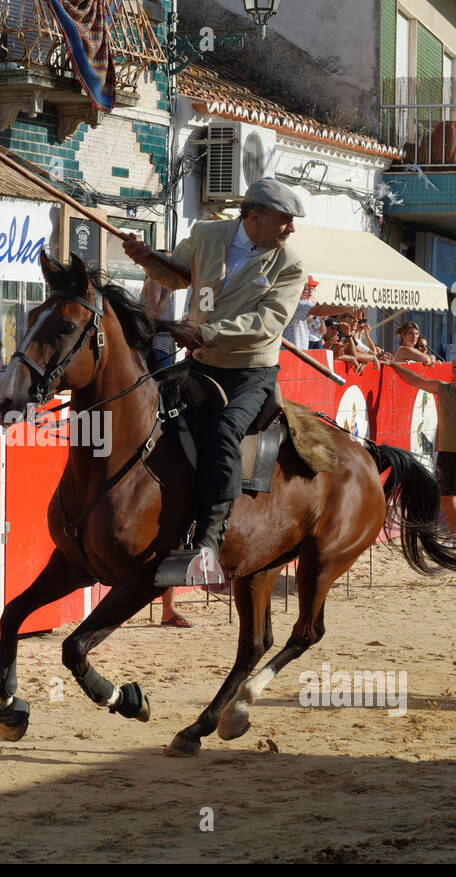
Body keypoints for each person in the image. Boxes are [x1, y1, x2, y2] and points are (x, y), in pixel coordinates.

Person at [122, 177, 307, 585]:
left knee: (225, 432)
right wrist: (145, 258)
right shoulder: (206, 234)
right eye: (285, 219)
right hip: (201, 361)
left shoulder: (290, 263)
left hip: (250, 371)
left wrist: (209, 332)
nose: (291, 228)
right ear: (254, 217)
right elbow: (177, 276)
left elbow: (268, 323)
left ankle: (207, 543)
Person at [383, 353, 456, 548]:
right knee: (445, 495)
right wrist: (394, 365)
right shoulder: (443, 389)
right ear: (453, 371)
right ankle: (453, 533)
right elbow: (415, 380)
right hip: (446, 450)